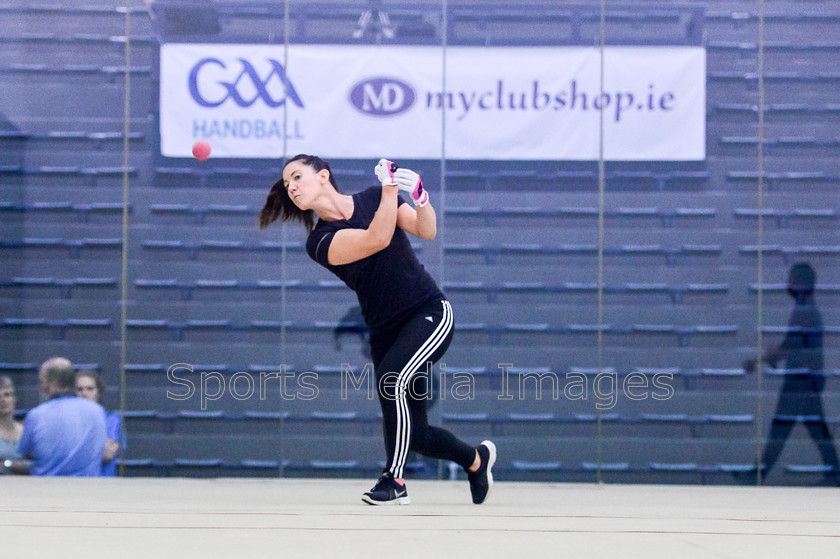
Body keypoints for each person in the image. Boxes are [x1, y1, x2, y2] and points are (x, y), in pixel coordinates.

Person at [259, 155, 496, 505]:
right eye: (287, 183)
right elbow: (377, 238)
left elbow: (426, 230)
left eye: (297, 176)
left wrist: (420, 196)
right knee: (415, 434)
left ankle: (394, 480)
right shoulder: (320, 242)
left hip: (428, 312)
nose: (291, 186)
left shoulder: (373, 197)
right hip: (385, 331)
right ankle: (476, 461)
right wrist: (390, 188)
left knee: (392, 379)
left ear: (323, 176)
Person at [742, 262, 840, 485]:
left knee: (782, 429)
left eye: (792, 280)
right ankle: (835, 474)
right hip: (806, 379)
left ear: (802, 284)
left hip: (800, 381)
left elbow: (789, 346)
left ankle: (755, 476)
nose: (788, 284)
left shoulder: (805, 312)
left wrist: (756, 361)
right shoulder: (806, 310)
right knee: (814, 429)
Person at [15, 357, 107, 476]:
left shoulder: (36, 415)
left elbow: (24, 453)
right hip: (88, 490)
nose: (40, 387)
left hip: (45, 490)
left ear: (53, 384)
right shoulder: (98, 411)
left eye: (42, 381)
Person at [76, 369, 124, 476]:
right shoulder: (68, 420)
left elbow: (107, 454)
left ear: (98, 392)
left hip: (103, 486)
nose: (84, 393)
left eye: (90, 389)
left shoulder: (113, 420)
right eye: (79, 389)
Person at [0, 375, 24, 473]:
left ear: (14, 398)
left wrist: (7, 464)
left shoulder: (25, 430)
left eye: (7, 395)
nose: (3, 400)